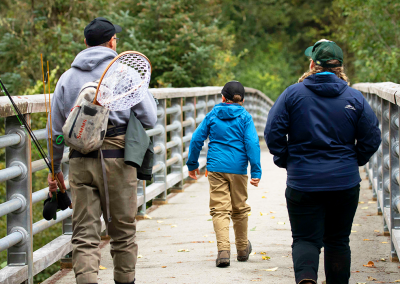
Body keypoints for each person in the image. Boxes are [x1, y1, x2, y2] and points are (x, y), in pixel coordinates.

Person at [47, 17, 157, 284]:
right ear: (112, 42)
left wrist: (55, 170)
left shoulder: (67, 77)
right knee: (123, 232)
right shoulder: (126, 73)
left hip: (80, 161)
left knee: (84, 235)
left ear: (85, 43)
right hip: (118, 159)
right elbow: (150, 119)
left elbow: (56, 132)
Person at [264, 39, 381, 284]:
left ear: (312, 64)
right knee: (338, 240)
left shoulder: (292, 94)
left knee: (305, 238)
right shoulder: (355, 98)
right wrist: (354, 160)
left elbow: (273, 132)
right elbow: (371, 136)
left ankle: (306, 278)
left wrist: (287, 159)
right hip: (344, 181)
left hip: (303, 181)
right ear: (340, 67)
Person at [187, 81, 262, 267]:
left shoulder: (212, 115)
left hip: (216, 168)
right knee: (240, 207)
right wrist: (256, 170)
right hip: (238, 169)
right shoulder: (245, 117)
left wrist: (192, 164)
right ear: (242, 100)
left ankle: (223, 252)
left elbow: (197, 138)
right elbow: (252, 143)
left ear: (222, 97)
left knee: (220, 209)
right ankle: (243, 249)